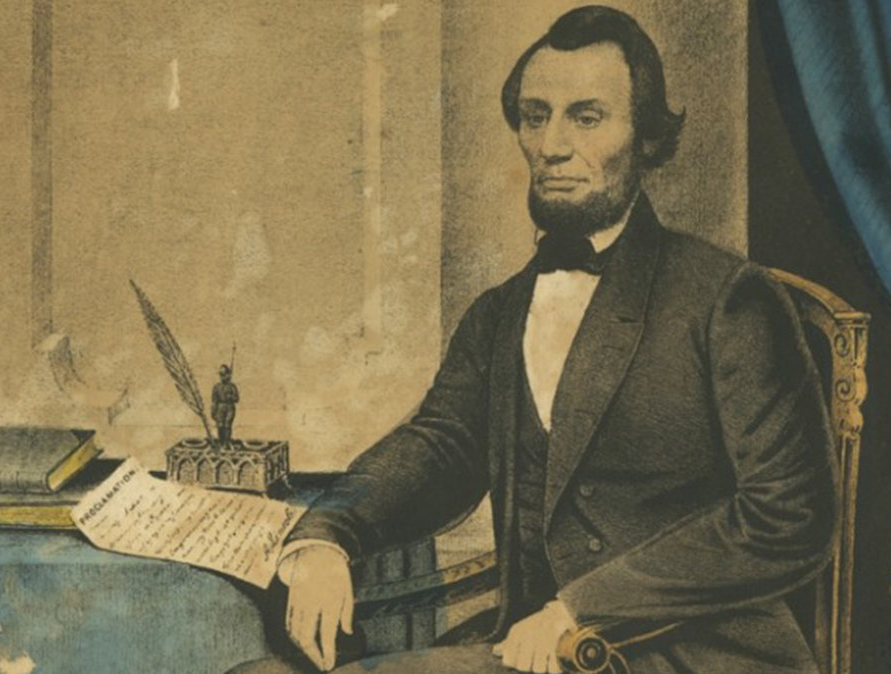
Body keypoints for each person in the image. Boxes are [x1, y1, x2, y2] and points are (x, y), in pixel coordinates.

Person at [239, 6, 838, 674]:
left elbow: (788, 517)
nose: (552, 144)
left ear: (645, 136)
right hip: (535, 648)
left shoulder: (728, 299)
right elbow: (436, 448)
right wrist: (327, 535)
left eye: (586, 117)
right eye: (535, 116)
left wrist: (581, 608)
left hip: (692, 655)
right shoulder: (500, 313)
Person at [213, 364, 239, 446]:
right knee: (220, 425)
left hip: (229, 407)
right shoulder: (217, 387)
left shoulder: (232, 387)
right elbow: (214, 400)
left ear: (228, 375)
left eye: (224, 375)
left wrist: (230, 397)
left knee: (227, 425)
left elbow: (236, 399)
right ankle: (221, 442)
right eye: (221, 375)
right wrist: (213, 411)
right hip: (220, 407)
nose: (222, 377)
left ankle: (227, 442)